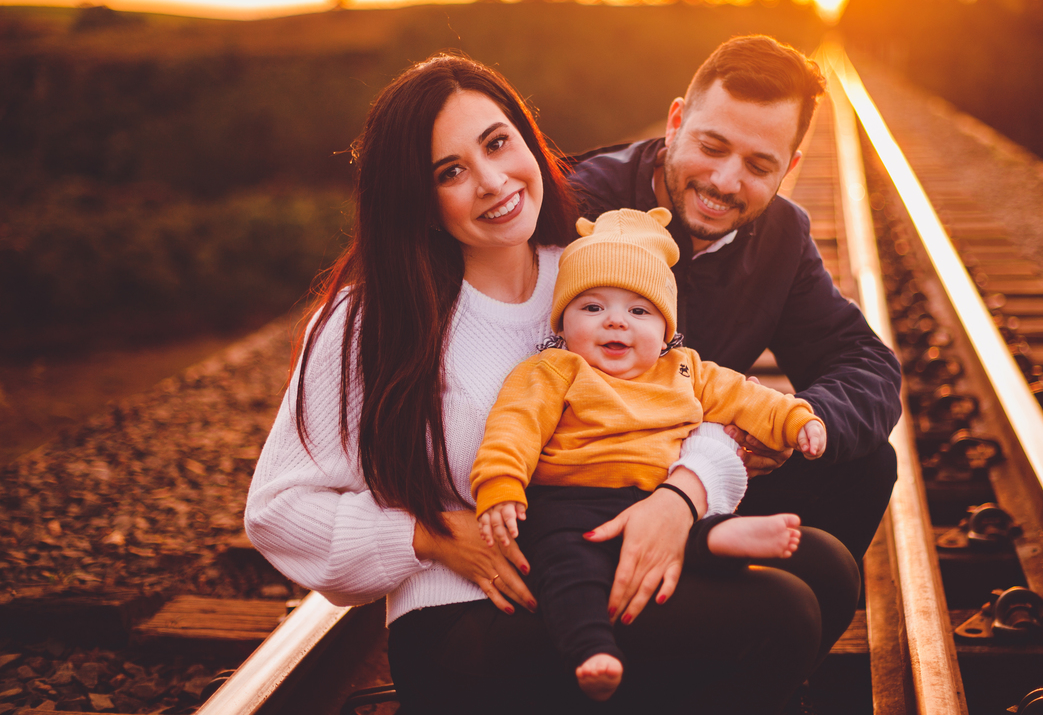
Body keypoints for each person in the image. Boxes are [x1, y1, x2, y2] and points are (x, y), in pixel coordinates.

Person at [245, 54, 860, 714]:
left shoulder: (585, 276)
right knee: (780, 614)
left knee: (826, 567)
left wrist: (682, 495)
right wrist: (427, 535)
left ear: (527, 140)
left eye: (497, 143)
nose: (491, 181)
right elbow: (278, 511)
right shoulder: (373, 318)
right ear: (418, 200)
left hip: (595, 553)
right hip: (470, 617)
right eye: (450, 172)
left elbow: (686, 393)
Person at [569, 35, 903, 563]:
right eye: (712, 147)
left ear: (789, 167)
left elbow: (863, 361)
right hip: (587, 479)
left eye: (758, 165)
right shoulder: (582, 203)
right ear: (676, 121)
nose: (725, 181)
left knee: (867, 467)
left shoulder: (782, 236)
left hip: (710, 476)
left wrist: (797, 424)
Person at [471, 206, 825, 701]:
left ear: (665, 329)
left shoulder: (684, 369)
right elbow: (514, 427)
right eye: (592, 307)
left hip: (655, 496)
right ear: (563, 322)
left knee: (685, 537)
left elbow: (747, 398)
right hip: (571, 504)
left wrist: (796, 419)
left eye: (639, 311)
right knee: (566, 568)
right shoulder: (554, 371)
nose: (616, 321)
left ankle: (724, 536)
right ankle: (593, 650)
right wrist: (500, 485)